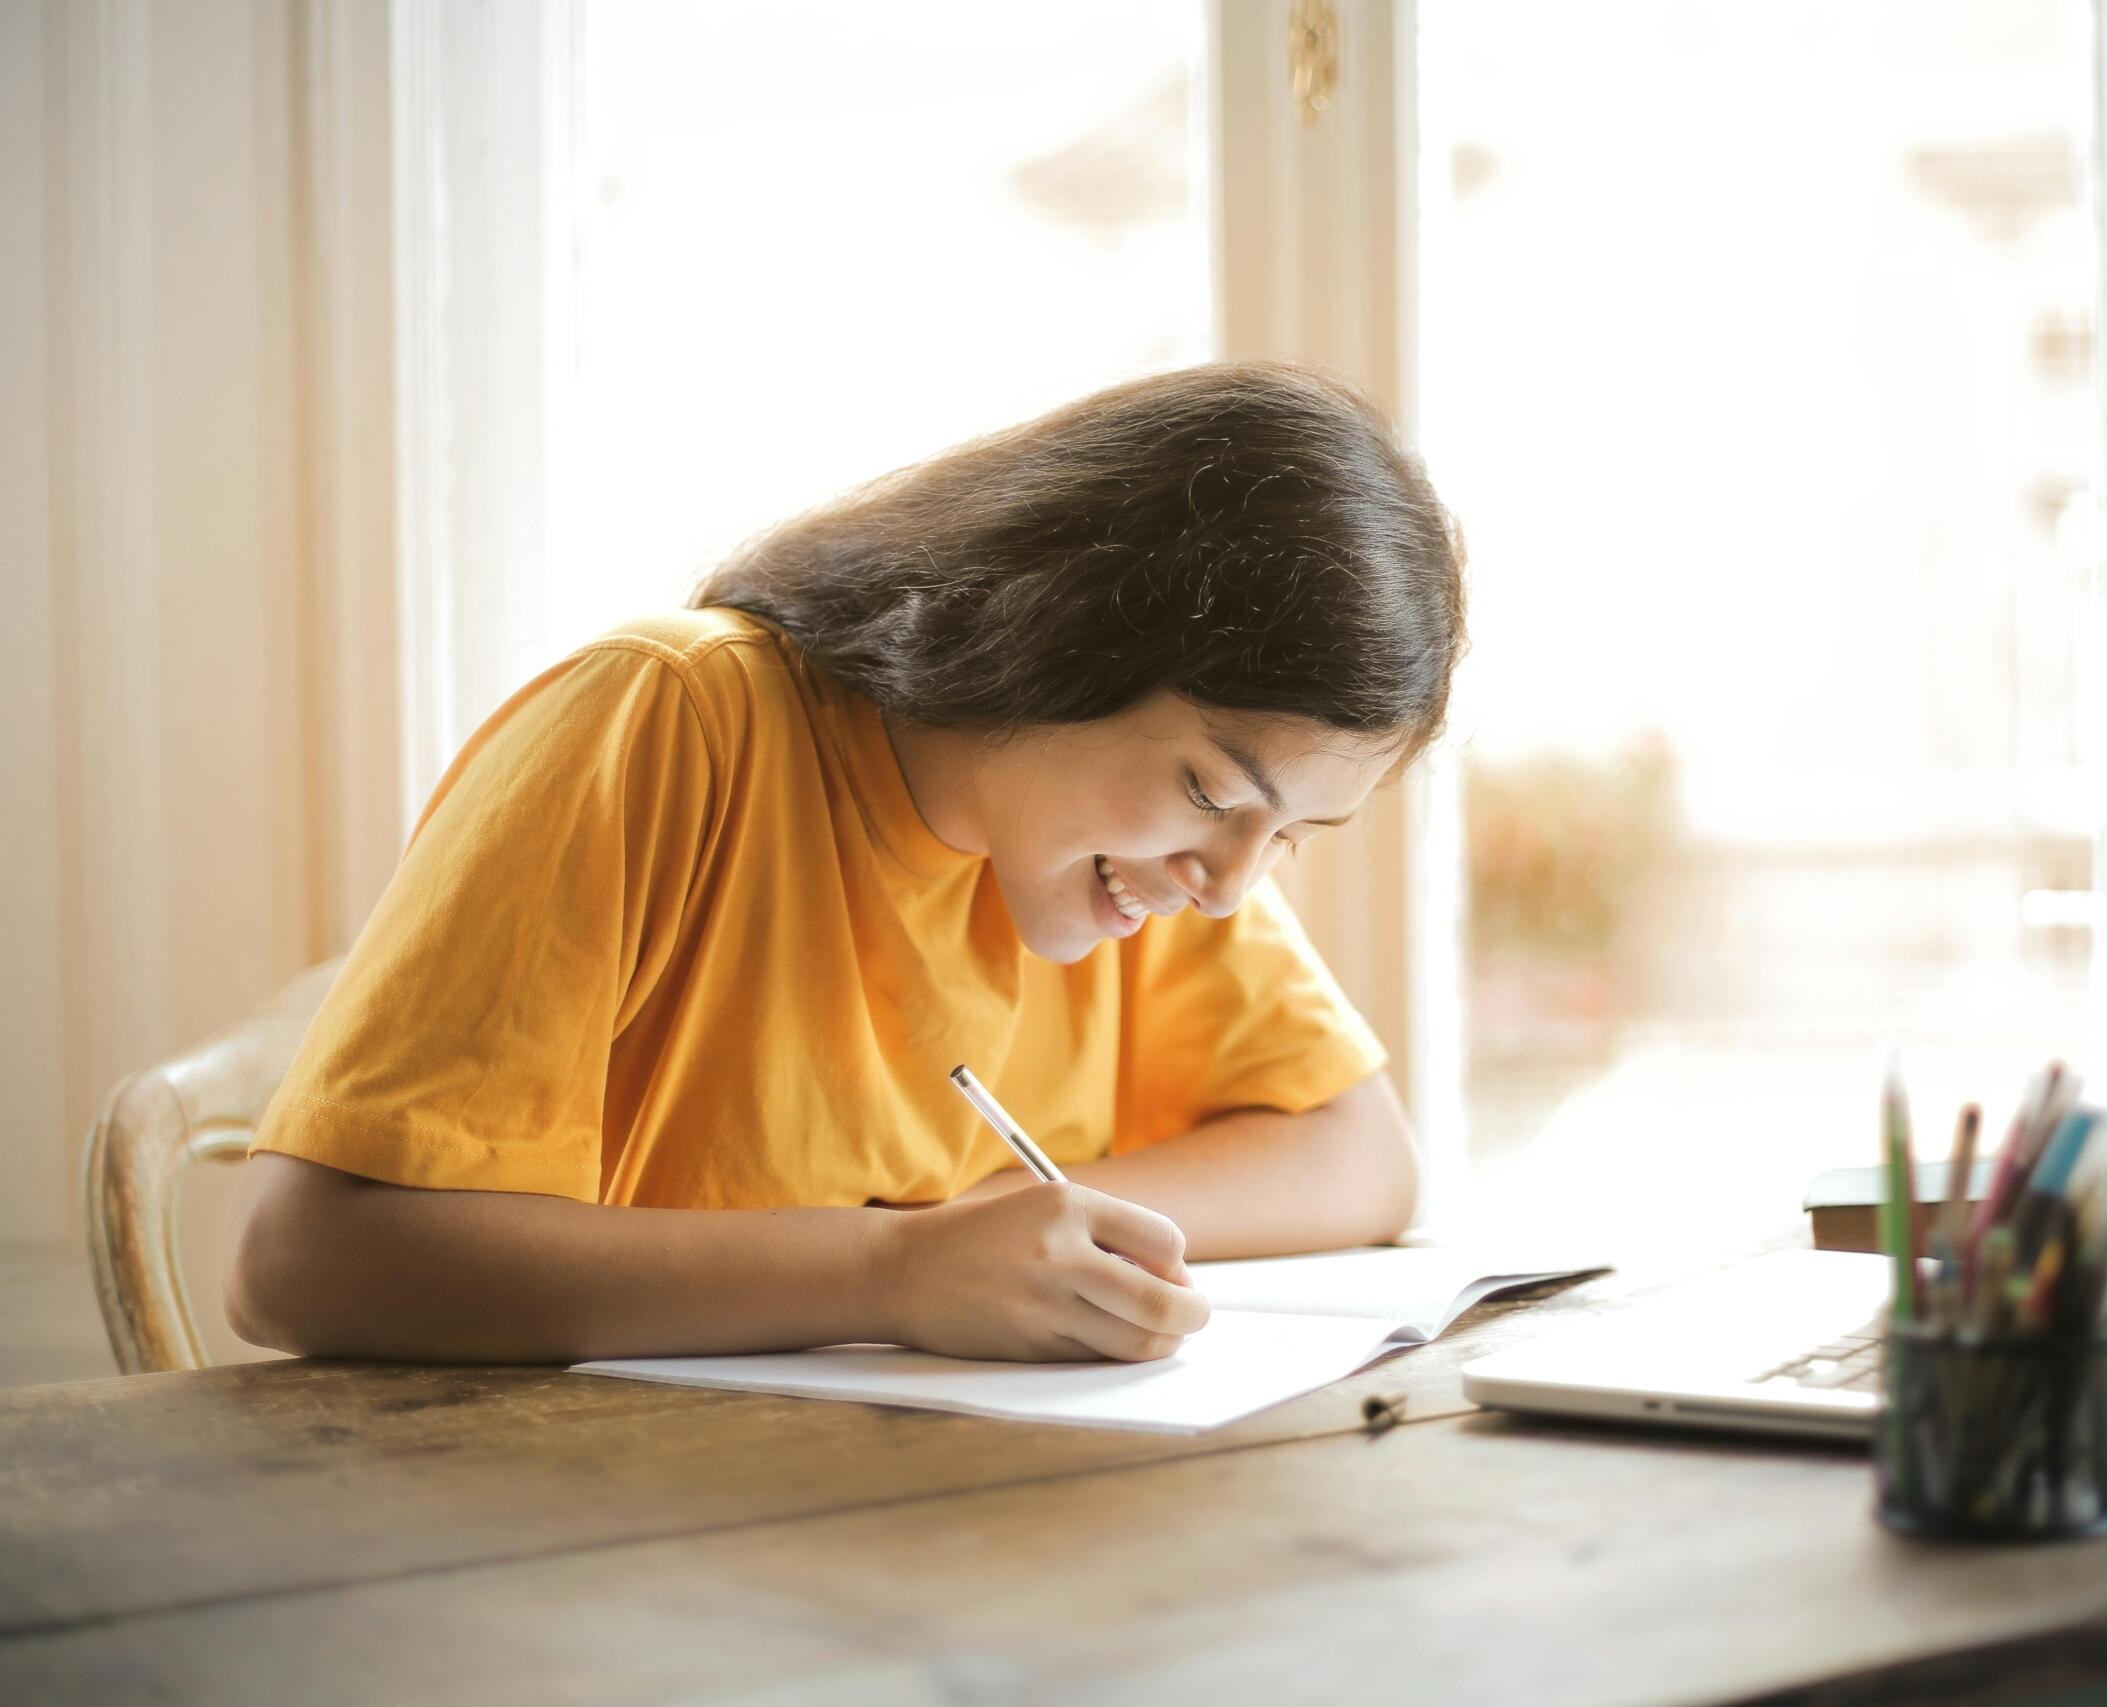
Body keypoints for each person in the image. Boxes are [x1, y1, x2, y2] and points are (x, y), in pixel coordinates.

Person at [226, 360, 1467, 1369]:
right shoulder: (669, 721)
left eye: (1289, 836)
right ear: (1056, 636)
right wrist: (892, 1273)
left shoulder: (1146, 863)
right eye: (1211, 792)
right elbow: (301, 1262)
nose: (1231, 884)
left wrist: (1012, 1232)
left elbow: (1361, 1156)